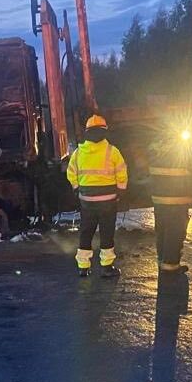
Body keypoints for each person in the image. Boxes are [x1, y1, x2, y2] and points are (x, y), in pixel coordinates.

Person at [67, 114, 129, 278]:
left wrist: (76, 188)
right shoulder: (112, 151)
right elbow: (122, 173)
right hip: (108, 201)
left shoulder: (79, 153)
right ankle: (106, 267)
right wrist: (120, 191)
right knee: (107, 233)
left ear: (87, 132)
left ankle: (83, 267)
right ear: (104, 132)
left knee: (86, 232)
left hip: (87, 201)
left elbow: (71, 173)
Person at [147, 128, 192, 275]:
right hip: (177, 198)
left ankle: (162, 260)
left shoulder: (155, 147)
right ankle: (171, 264)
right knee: (175, 230)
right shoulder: (184, 148)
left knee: (162, 228)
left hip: (159, 197)